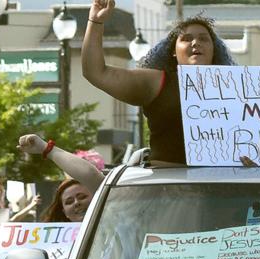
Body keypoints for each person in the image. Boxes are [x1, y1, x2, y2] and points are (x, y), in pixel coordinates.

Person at [81, 1, 234, 167]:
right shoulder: (156, 82)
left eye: (203, 39)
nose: (195, 43)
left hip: (220, 185)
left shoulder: (240, 88)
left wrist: (253, 160)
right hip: (165, 185)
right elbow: (95, 72)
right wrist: (95, 22)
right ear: (173, 52)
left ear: (214, 49)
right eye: (186, 39)